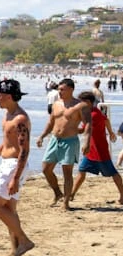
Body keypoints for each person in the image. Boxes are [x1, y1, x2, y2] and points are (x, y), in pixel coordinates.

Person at [0, 79, 35, 256]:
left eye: (0, 95)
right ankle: (16, 251)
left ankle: (25, 241)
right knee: (9, 210)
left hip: (14, 166)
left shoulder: (20, 119)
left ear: (9, 96)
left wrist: (15, 178)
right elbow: (7, 141)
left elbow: (24, 150)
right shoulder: (7, 115)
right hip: (6, 163)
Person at [36, 78, 90, 210]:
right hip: (55, 139)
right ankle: (57, 193)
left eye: (62, 89)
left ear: (71, 89)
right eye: (59, 89)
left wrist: (86, 142)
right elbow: (51, 122)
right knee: (46, 169)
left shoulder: (80, 105)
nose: (59, 92)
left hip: (70, 141)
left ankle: (66, 202)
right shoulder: (56, 104)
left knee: (67, 172)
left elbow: (88, 124)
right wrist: (42, 136)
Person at [71, 91, 123, 203]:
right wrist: (110, 132)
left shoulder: (93, 115)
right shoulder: (94, 112)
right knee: (81, 170)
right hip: (92, 150)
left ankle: (122, 196)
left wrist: (69, 129)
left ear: (88, 102)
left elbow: (85, 130)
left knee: (113, 173)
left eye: (81, 102)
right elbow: (106, 119)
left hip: (99, 150)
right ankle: (72, 195)